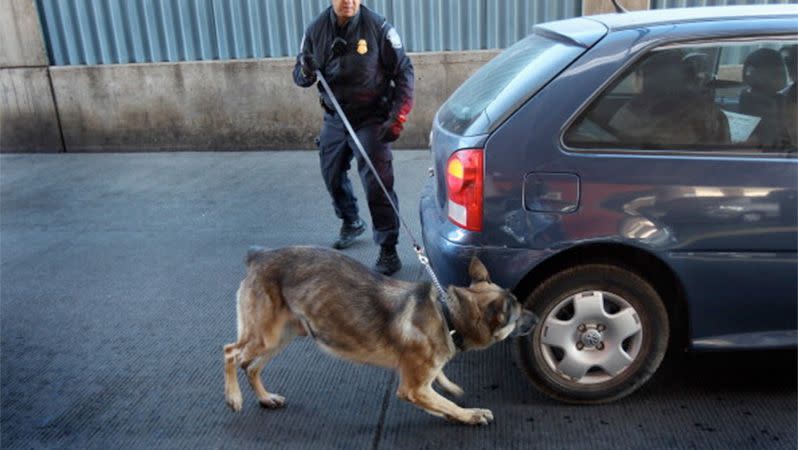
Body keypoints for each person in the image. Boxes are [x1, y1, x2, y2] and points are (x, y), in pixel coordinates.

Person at [293, 0, 414, 276]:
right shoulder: (315, 30)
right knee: (331, 173)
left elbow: (404, 72)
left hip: (371, 118)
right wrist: (307, 69)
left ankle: (388, 248)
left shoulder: (379, 28)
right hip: (335, 118)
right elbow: (299, 77)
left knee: (377, 183)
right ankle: (350, 220)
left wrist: (397, 117)